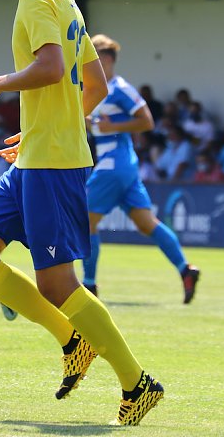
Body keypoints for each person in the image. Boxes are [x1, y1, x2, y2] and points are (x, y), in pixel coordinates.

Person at [0, 0, 163, 426]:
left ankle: (137, 383)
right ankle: (72, 341)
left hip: (52, 164)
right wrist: (44, 128)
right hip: (38, 155)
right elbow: (91, 84)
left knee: (57, 284)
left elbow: (51, 68)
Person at [80, 34, 200, 301]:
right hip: (125, 167)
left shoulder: (120, 88)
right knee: (147, 223)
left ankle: (89, 285)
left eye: (94, 55)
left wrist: (113, 126)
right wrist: (92, 122)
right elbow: (102, 124)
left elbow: (147, 121)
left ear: (108, 59)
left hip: (114, 165)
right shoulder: (98, 88)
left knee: (84, 221)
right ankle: (186, 269)